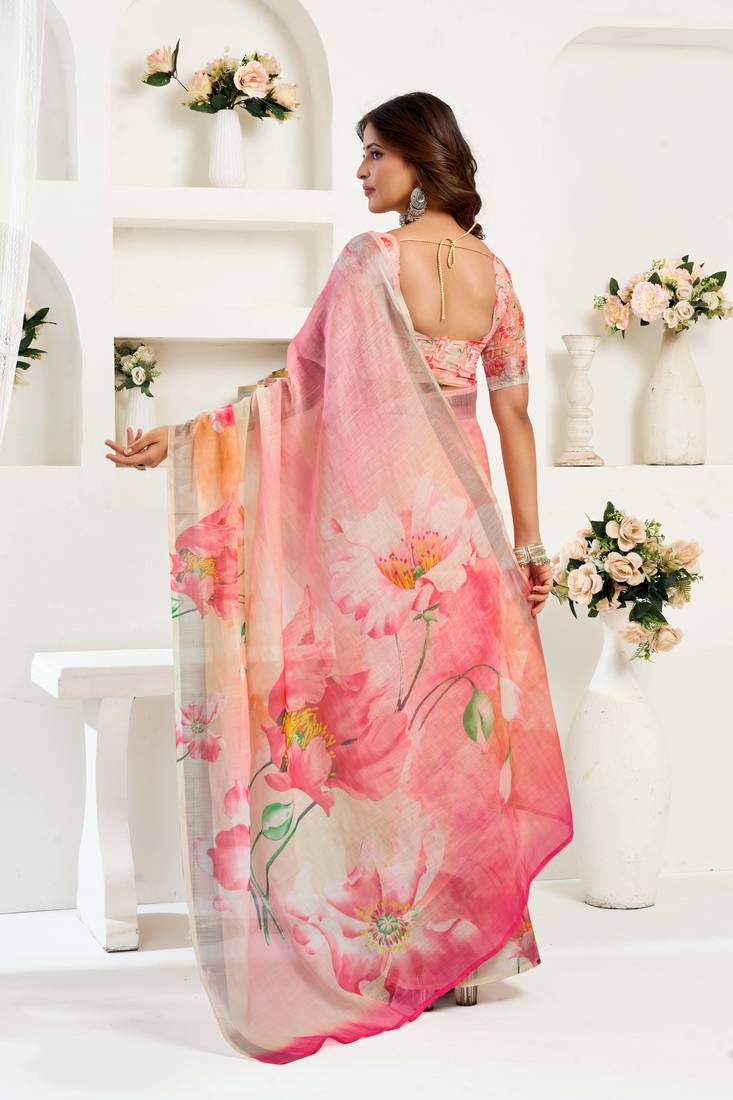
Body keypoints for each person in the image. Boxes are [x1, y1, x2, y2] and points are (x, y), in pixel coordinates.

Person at [103, 92, 572, 1064]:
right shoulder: (496, 278)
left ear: (417, 159)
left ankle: (393, 951)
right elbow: (514, 417)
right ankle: (460, 950)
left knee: (379, 727)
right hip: (466, 529)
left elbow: (301, 392)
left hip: (383, 531)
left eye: (372, 155)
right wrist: (528, 547)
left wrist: (187, 441)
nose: (360, 174)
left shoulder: (372, 262)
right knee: (448, 729)